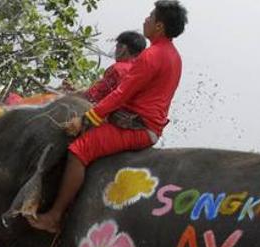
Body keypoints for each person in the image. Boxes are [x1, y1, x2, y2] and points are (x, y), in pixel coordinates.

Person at [29, 1, 188, 233]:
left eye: (151, 16)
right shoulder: (174, 56)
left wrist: (85, 120)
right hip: (145, 123)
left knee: (78, 151)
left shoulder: (151, 56)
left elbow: (121, 95)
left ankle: (54, 216)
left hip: (136, 127)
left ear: (160, 26)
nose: (146, 19)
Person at [80, 31, 147, 103]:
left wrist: (75, 94)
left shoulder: (118, 69)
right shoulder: (144, 70)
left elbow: (93, 96)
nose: (115, 50)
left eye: (117, 46)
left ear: (123, 48)